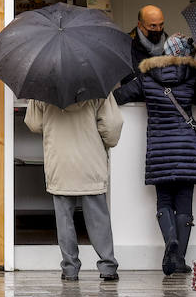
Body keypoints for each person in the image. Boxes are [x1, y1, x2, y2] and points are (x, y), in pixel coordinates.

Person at [114, 35, 196, 274]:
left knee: (164, 201)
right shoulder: (191, 77)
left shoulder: (147, 77)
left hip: (160, 149)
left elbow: (119, 97)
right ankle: (178, 260)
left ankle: (171, 242)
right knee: (185, 204)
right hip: (188, 148)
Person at [25, 94, 124, 281]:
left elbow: (34, 124)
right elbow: (112, 126)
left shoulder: (44, 88)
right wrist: (103, 142)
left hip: (59, 161)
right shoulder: (97, 88)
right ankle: (108, 266)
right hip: (91, 161)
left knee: (64, 219)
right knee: (98, 218)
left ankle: (70, 269)